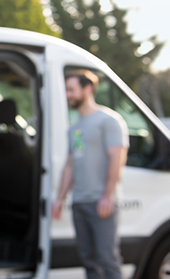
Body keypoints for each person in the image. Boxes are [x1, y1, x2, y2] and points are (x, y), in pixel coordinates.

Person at [51, 70, 128, 279]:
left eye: (72, 90)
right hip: (80, 203)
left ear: (88, 89)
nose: (68, 95)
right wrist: (59, 199)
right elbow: (70, 166)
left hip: (101, 202)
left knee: (107, 259)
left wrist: (108, 195)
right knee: (88, 260)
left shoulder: (109, 120)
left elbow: (117, 158)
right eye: (66, 90)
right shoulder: (75, 128)